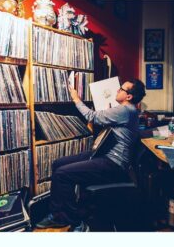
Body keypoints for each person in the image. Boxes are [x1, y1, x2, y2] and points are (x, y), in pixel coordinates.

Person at [36, 78, 146, 231]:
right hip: (104, 154)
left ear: (129, 97)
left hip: (112, 162)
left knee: (62, 174)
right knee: (58, 164)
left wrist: (76, 98)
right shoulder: (128, 111)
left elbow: (92, 117)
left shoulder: (125, 110)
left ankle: (70, 219)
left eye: (122, 89)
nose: (117, 90)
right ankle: (59, 212)